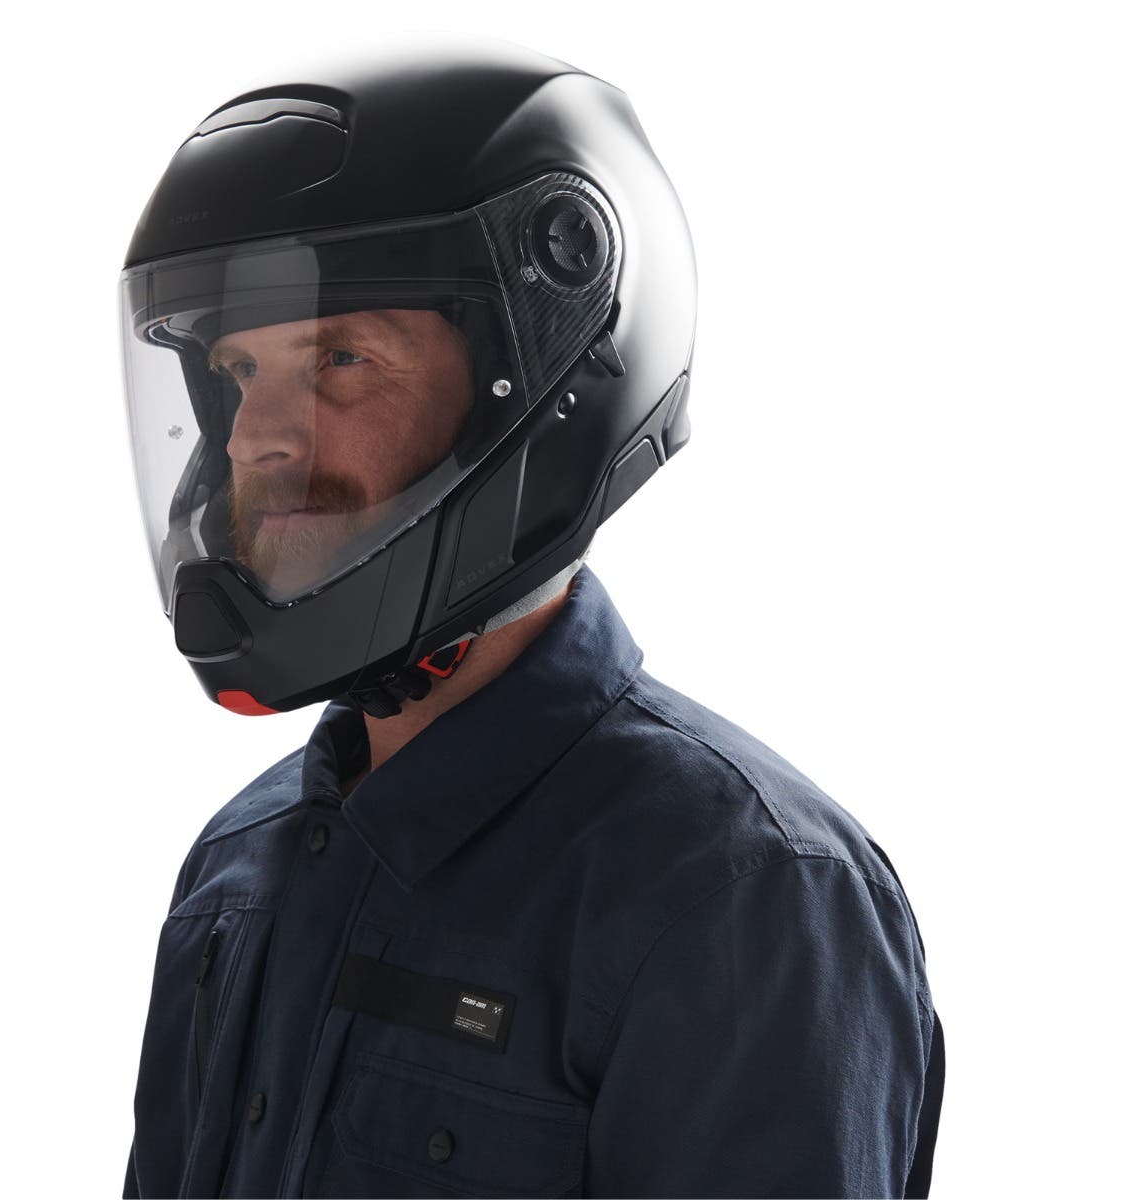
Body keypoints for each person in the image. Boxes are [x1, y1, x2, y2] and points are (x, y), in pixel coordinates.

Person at [119, 34, 944, 1199]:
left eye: (341, 359)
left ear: (545, 381)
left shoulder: (744, 894)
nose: (258, 438)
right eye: (240, 374)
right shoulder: (238, 866)